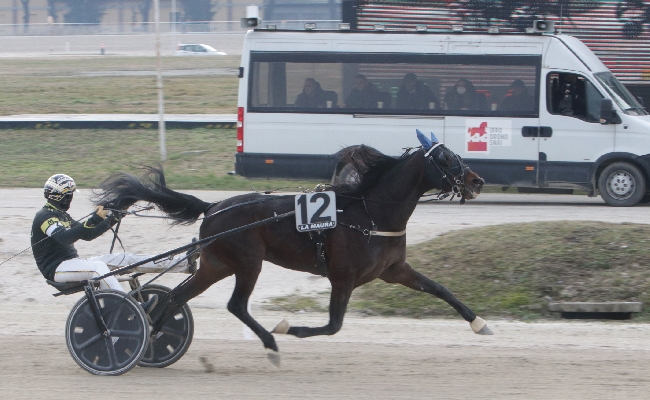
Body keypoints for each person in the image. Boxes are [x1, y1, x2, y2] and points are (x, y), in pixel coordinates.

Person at [31, 174, 198, 311]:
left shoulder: (62, 215)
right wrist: (95, 217)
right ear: (62, 196)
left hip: (72, 264)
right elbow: (65, 238)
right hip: (57, 269)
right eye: (70, 195)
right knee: (98, 268)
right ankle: (133, 307)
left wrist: (115, 217)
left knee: (123, 258)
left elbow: (88, 234)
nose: (71, 199)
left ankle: (183, 263)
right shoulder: (44, 216)